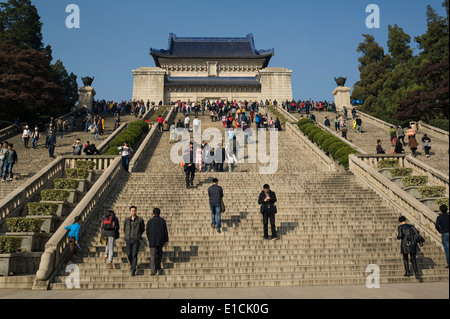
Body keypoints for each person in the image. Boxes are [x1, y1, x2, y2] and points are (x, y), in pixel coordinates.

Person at [146, 208, 169, 276]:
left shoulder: (150, 221)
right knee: (159, 253)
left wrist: (149, 238)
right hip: (160, 240)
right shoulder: (162, 221)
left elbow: (147, 231)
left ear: (153, 213)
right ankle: (158, 266)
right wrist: (166, 240)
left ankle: (153, 270)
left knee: (152, 255)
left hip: (152, 240)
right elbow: (165, 231)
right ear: (159, 213)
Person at [123, 206, 145, 276]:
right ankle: (132, 264)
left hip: (136, 239)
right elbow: (124, 229)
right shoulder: (127, 220)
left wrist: (138, 235)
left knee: (134, 254)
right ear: (130, 211)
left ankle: (133, 269)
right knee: (129, 254)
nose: (133, 212)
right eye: (132, 211)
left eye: (134, 211)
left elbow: (142, 229)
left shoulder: (140, 220)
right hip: (128, 239)